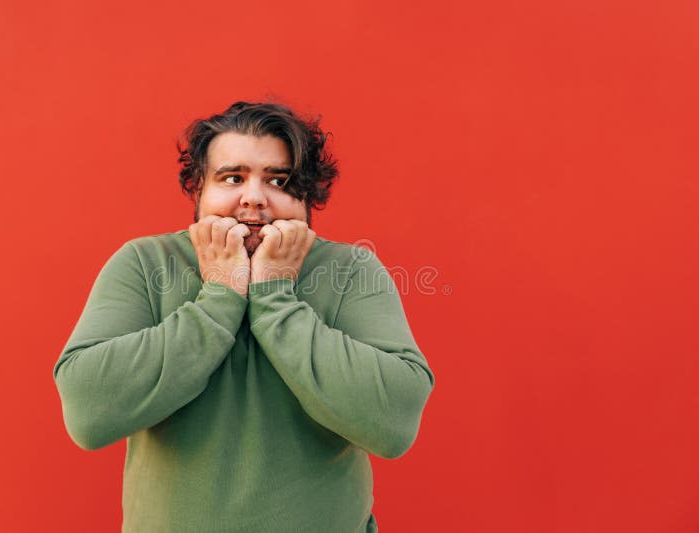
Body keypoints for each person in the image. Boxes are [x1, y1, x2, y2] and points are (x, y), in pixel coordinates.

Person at [53, 101, 434, 532]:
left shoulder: (351, 271)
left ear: (306, 194)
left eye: (279, 180)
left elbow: (394, 422)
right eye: (233, 177)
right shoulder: (144, 263)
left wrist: (274, 297)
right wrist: (220, 296)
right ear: (199, 189)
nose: (254, 197)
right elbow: (88, 411)